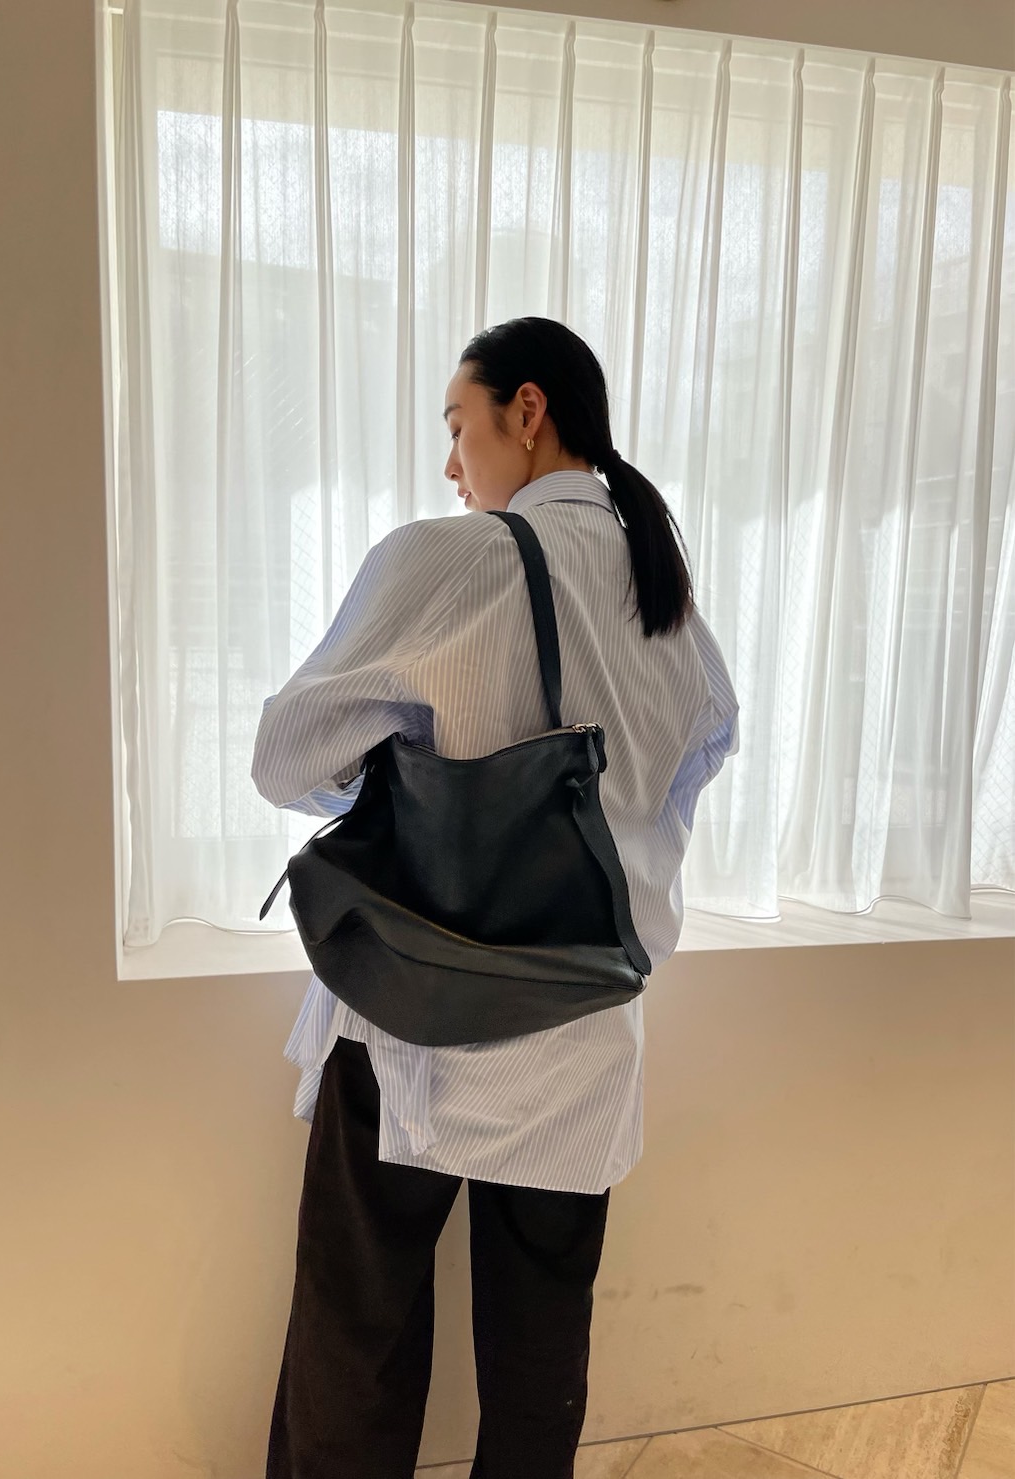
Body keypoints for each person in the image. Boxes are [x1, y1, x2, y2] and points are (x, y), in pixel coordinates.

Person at [252, 316, 738, 1479]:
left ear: (527, 412)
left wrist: (401, 779)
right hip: (582, 1032)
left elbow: (286, 759)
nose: (451, 463)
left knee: (357, 1339)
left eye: (458, 426)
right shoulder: (668, 601)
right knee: (538, 1364)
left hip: (415, 1016)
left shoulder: (450, 560)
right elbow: (698, 759)